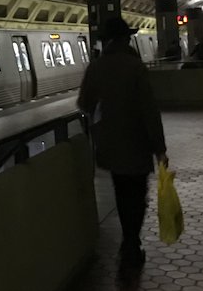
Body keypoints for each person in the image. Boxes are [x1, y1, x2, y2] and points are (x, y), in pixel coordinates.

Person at [77, 16, 168, 270]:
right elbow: (150, 110)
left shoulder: (96, 67)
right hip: (138, 144)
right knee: (138, 195)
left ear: (105, 40)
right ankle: (131, 242)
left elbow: (84, 103)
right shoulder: (136, 66)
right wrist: (159, 148)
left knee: (122, 193)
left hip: (111, 144)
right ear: (125, 38)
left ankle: (128, 242)